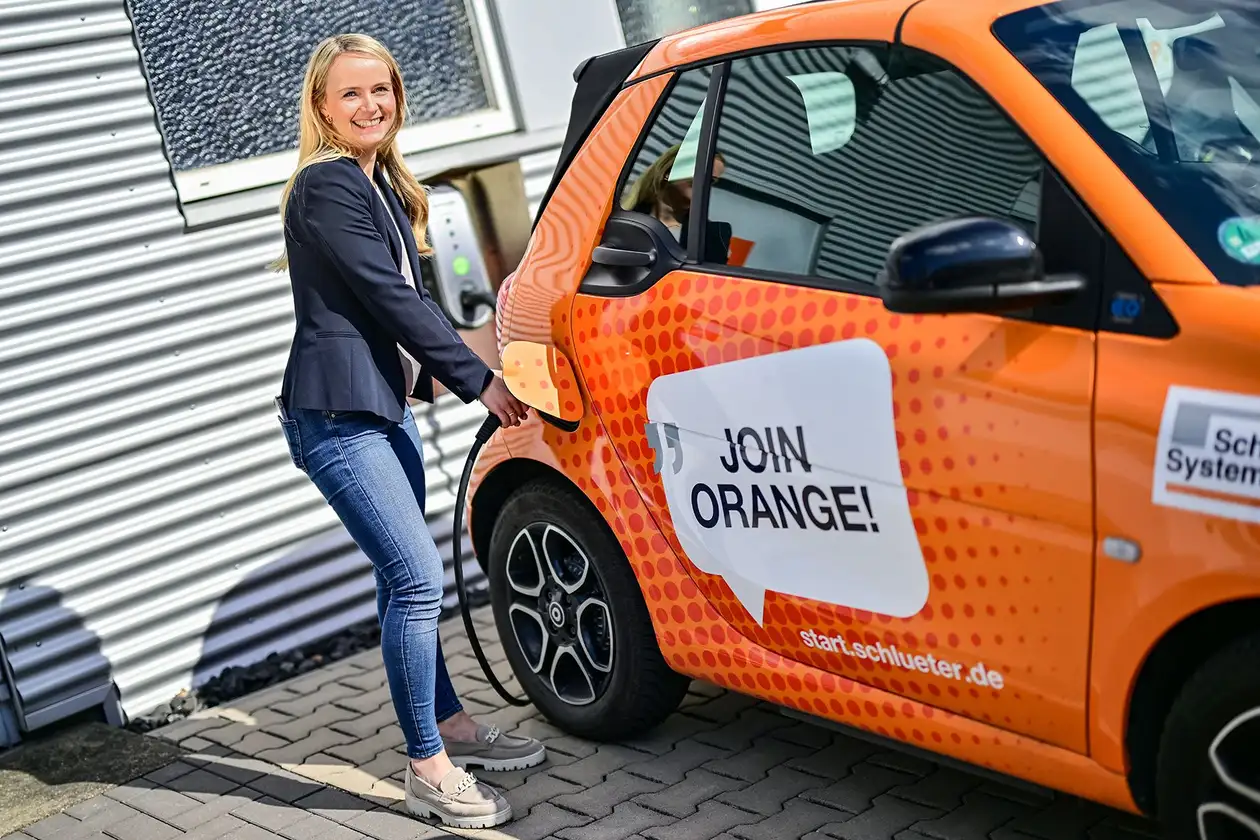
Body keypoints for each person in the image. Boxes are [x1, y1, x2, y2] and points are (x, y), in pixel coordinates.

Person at [269, 32, 540, 830]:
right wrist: (476, 381)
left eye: (381, 89)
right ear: (321, 104)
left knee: (403, 581)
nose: (369, 105)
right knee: (420, 580)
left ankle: (452, 727)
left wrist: (431, 374)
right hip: (336, 419)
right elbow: (391, 299)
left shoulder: (376, 182)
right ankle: (428, 767)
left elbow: (364, 311)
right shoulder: (327, 186)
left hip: (378, 406)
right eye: (350, 93)